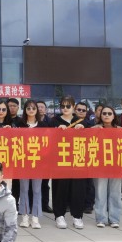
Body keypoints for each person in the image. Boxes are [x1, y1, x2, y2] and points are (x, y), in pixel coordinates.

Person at [51, 95, 86, 229]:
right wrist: (56, 130)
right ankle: (59, 215)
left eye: (68, 106)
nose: (65, 108)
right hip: (60, 160)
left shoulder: (80, 121)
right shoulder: (54, 121)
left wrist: (83, 127)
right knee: (60, 187)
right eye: (63, 106)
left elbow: (92, 134)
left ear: (73, 107)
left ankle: (77, 216)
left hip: (77, 159)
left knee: (78, 188)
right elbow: (47, 137)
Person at [17, 100, 48, 229]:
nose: (31, 110)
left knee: (36, 190)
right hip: (23, 162)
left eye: (33, 108)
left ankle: (35, 217)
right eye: (28, 108)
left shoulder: (43, 125)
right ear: (25, 110)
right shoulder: (19, 124)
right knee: (24, 189)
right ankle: (24, 216)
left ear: (37, 110)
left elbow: (47, 142)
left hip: (38, 162)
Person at [92, 106, 122, 228]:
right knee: (100, 192)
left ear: (114, 116)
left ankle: (114, 219)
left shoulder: (120, 130)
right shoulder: (95, 129)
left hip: (116, 165)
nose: (107, 115)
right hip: (100, 165)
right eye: (104, 113)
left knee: (115, 193)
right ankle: (101, 218)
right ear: (101, 115)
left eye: (110, 113)